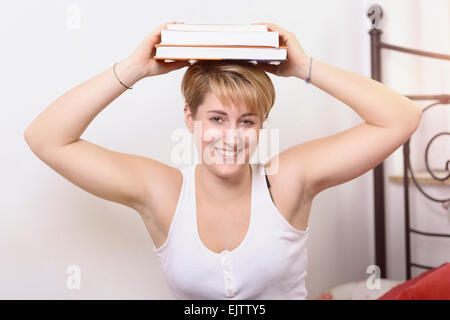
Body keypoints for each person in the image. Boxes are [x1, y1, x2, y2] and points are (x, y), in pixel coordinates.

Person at [24, 21, 423, 300]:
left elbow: (401, 118)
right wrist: (134, 69)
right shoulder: (162, 192)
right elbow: (46, 138)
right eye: (216, 119)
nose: (231, 137)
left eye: (246, 121)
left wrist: (304, 67)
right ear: (190, 119)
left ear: (261, 126)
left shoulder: (287, 181)